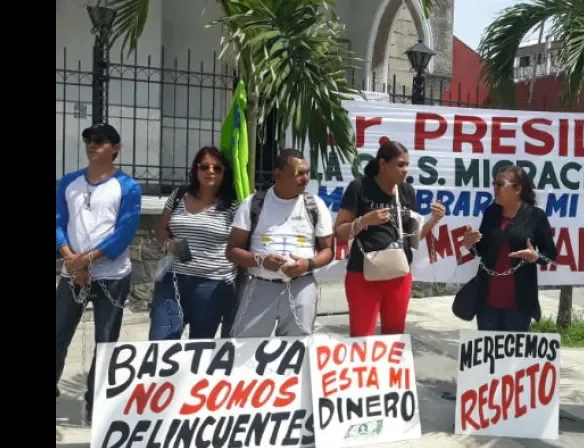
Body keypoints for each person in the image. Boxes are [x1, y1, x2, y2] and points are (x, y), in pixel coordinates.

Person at [56, 123, 142, 425]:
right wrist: (70, 259)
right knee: (58, 334)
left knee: (105, 342)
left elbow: (125, 232)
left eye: (100, 141)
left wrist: (87, 260)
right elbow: (58, 222)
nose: (93, 145)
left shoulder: (128, 187)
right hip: (71, 276)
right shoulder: (68, 182)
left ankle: (96, 405)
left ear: (116, 149)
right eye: (89, 140)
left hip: (111, 276)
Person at [334, 141, 445, 337]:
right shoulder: (359, 187)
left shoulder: (406, 191)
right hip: (363, 274)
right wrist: (364, 221)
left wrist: (433, 221)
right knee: (362, 339)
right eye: (400, 165)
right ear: (382, 164)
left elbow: (414, 238)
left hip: (399, 275)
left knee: (394, 338)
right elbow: (340, 232)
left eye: (407, 165)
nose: (405, 170)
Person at [225, 149, 334, 337]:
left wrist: (307, 264)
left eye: (308, 172)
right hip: (260, 286)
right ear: (278, 174)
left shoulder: (315, 205)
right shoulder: (253, 203)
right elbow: (232, 251)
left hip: (302, 286)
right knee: (247, 348)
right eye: (299, 173)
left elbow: (328, 251)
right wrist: (260, 260)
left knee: (297, 348)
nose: (306, 179)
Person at [148, 146, 239, 341]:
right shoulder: (179, 195)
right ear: (196, 170)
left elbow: (239, 244)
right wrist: (168, 244)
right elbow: (161, 228)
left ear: (225, 173)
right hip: (172, 280)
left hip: (212, 285)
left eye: (217, 168)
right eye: (204, 167)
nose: (210, 172)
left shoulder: (233, 204)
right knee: (160, 341)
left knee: (198, 346)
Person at [460, 165, 557, 332]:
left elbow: (551, 255)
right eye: (494, 184)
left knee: (515, 358)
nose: (495, 188)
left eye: (500, 184)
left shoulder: (536, 216)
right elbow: (482, 251)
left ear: (517, 188)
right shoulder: (491, 212)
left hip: (519, 304)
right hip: (487, 302)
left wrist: (535, 257)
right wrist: (470, 245)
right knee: (487, 355)